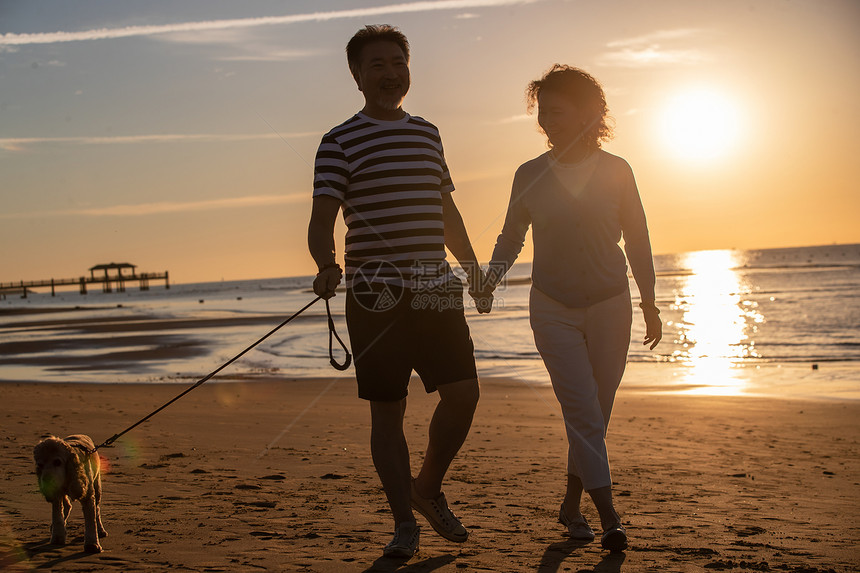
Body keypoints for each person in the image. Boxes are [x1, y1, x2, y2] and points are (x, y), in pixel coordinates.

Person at [307, 25, 492, 559]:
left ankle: (427, 488)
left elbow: (447, 212)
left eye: (397, 62)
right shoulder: (338, 141)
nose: (390, 73)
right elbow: (321, 221)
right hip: (375, 295)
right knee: (387, 412)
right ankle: (403, 525)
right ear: (357, 76)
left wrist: (474, 268)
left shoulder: (428, 133)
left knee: (464, 395)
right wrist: (326, 264)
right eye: (377, 65)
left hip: (436, 286)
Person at [487, 64, 662, 552]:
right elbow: (511, 235)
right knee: (582, 411)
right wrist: (489, 280)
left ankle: (569, 505)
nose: (547, 121)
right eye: (542, 112)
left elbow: (640, 238)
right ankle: (610, 518)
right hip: (552, 307)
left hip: (611, 304)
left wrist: (650, 302)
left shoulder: (617, 170)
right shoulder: (530, 174)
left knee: (594, 416)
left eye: (558, 111)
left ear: (590, 113)